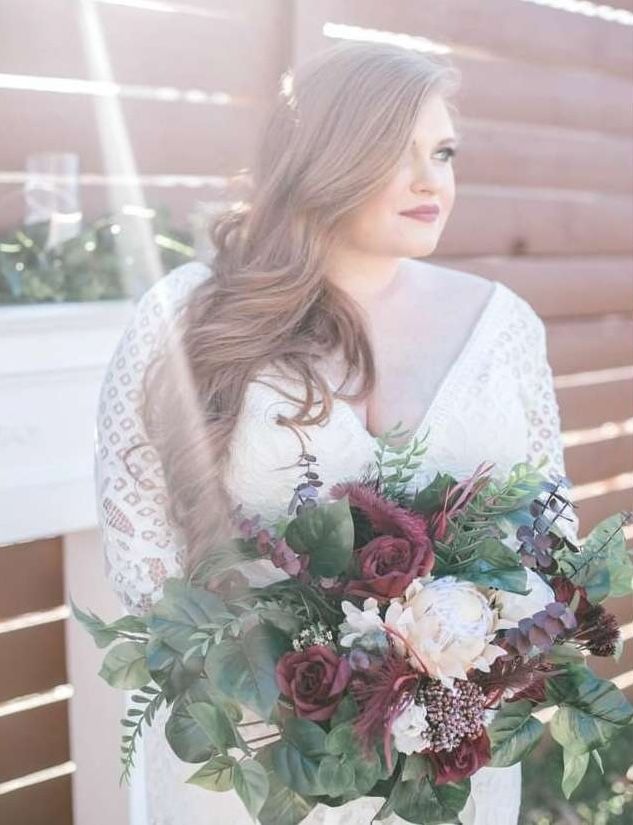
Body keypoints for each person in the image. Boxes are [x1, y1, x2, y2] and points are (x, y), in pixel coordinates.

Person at [95, 41, 578, 825]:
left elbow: (549, 532)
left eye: (444, 152)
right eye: (399, 152)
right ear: (326, 159)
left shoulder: (502, 325)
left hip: (447, 771)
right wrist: (306, 691)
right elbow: (146, 559)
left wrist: (459, 676)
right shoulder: (186, 317)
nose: (433, 181)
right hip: (257, 762)